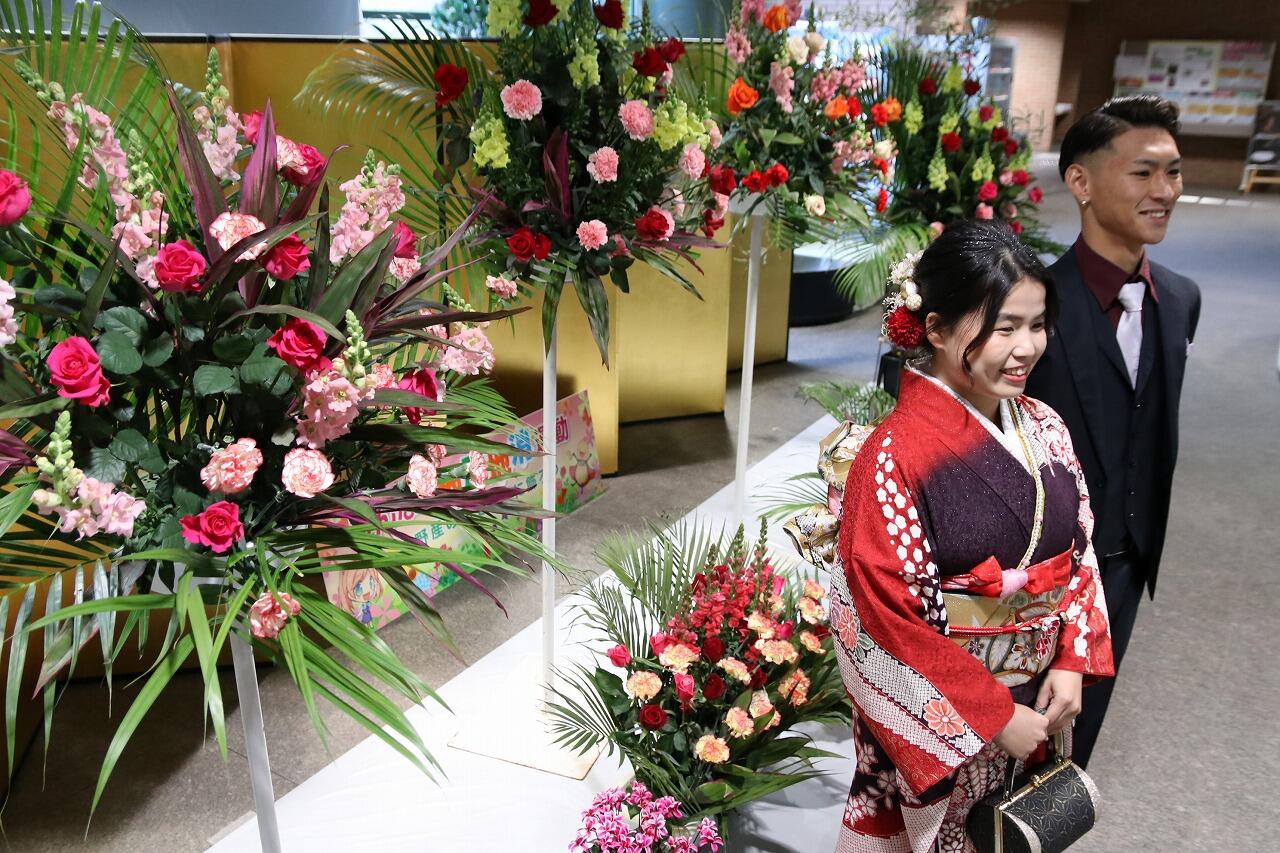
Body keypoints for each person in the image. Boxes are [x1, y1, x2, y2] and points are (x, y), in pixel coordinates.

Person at [788, 221, 1113, 853]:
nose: (1026, 348)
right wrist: (991, 714)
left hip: (1040, 698)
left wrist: (1072, 661)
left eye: (1037, 324)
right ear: (934, 329)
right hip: (953, 718)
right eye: (1002, 327)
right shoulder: (893, 456)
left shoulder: (1044, 425)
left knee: (1017, 833)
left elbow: (1080, 557)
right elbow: (878, 618)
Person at [1025, 94, 1201, 769]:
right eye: (1144, 173)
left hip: (1126, 565)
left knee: (1075, 747)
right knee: (1001, 747)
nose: (1165, 192)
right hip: (1033, 576)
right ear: (1081, 182)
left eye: (1175, 173)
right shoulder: (1037, 304)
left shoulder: (1181, 298)